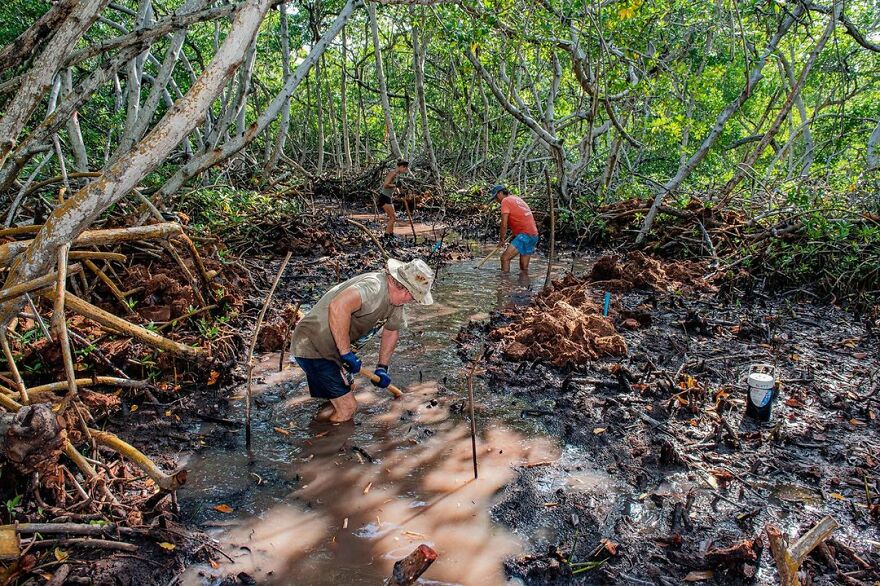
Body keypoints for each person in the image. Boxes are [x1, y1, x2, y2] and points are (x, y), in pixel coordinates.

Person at [289, 258, 434, 423]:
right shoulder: (374, 287)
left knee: (348, 389)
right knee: (348, 408)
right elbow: (338, 306)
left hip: (334, 350)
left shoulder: (396, 303)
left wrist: (382, 368)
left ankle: (322, 423)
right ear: (406, 290)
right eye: (413, 297)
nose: (412, 301)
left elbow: (391, 331)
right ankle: (323, 444)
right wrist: (345, 353)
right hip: (315, 345)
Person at [489, 185, 539, 273]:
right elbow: (521, 217)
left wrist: (502, 239)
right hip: (533, 235)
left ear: (500, 193)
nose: (496, 201)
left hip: (525, 234)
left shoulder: (505, 201)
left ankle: (504, 283)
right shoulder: (516, 198)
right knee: (524, 268)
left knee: (505, 258)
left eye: (496, 197)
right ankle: (523, 285)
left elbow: (504, 224)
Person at [379, 160, 409, 241]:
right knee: (393, 218)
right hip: (384, 197)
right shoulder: (392, 173)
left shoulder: (397, 175)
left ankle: (391, 234)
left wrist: (400, 193)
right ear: (400, 167)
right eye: (405, 168)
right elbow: (385, 185)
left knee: (393, 217)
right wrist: (395, 185)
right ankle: (386, 235)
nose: (405, 170)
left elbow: (395, 187)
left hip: (388, 197)